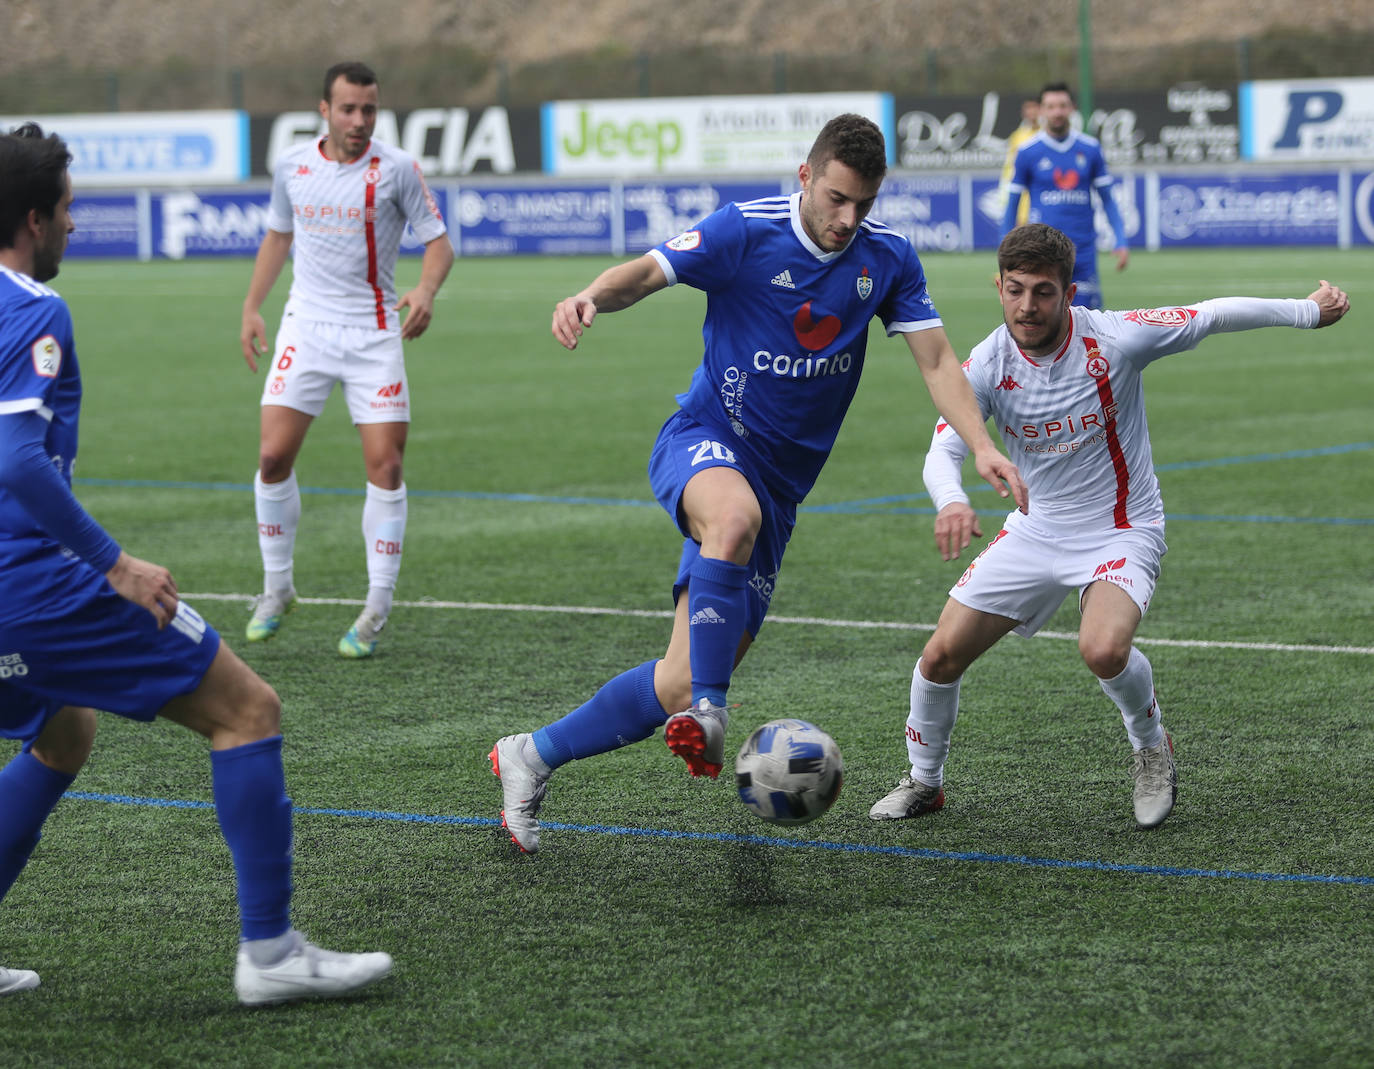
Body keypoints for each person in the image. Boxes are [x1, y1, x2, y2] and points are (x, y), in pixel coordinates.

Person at [489, 114, 1028, 854]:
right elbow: (647, 271)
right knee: (729, 525)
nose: (847, 218)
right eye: (836, 198)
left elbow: (938, 362)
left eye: (863, 204)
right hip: (705, 440)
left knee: (675, 680)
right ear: (805, 177)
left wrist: (981, 445)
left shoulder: (888, 259)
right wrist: (589, 296)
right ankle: (714, 713)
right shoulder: (745, 230)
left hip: (781, 493)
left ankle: (531, 754)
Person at [0, 122, 393, 1004]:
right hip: (30, 586)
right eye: (65, 211)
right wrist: (115, 564)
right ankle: (270, 951)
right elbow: (18, 461)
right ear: (33, 218)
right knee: (248, 708)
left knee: (63, 731)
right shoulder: (31, 308)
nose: (72, 225)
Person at [868, 223, 1349, 829]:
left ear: (1069, 292)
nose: (1027, 307)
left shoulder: (1115, 339)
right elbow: (944, 449)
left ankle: (1150, 747)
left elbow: (1210, 315)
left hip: (1121, 529)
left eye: (1043, 292)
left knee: (1102, 648)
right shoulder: (987, 362)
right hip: (1035, 529)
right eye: (1014, 290)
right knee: (939, 657)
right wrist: (950, 499)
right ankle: (925, 782)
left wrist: (1307, 312)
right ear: (998, 287)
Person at [240, 60, 454, 658]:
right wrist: (253, 307)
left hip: (374, 334)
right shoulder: (293, 167)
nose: (360, 120)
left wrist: (426, 290)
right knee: (271, 456)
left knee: (385, 467)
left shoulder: (398, 169)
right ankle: (276, 589)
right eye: (349, 109)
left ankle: (376, 607)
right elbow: (278, 236)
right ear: (324, 110)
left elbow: (439, 243)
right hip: (304, 328)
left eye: (369, 109)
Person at [999, 82, 1127, 310]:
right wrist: (1005, 249)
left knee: (1090, 321)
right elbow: (1012, 203)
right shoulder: (1028, 151)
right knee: (1045, 320)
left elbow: (1107, 198)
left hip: (1083, 251)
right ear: (1041, 110)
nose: (1057, 112)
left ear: (1072, 108)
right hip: (1040, 251)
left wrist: (1120, 238)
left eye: (1062, 106)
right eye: (1050, 106)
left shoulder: (1090, 148)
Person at [997, 96, 1040, 228]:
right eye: (1028, 109)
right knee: (1021, 229)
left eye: (1034, 108)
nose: (1031, 112)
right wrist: (1005, 186)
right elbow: (1010, 165)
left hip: (1041, 186)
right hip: (1022, 189)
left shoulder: (1047, 134)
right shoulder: (1017, 136)